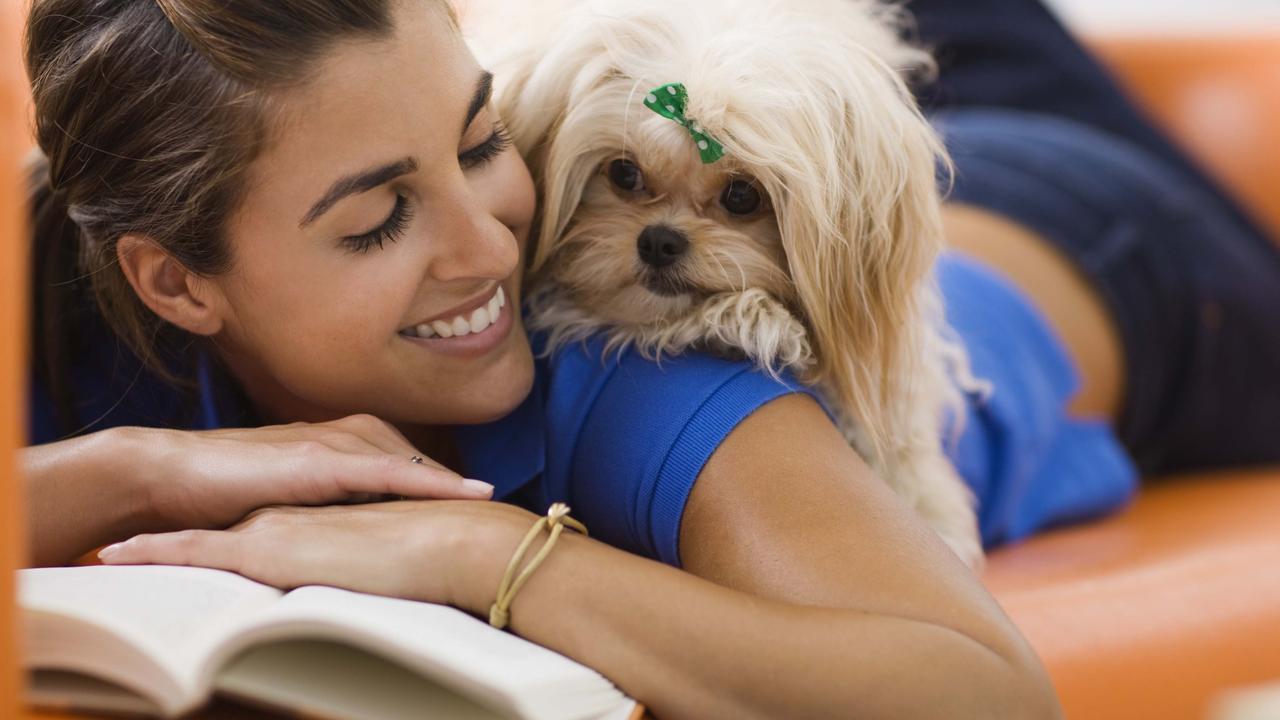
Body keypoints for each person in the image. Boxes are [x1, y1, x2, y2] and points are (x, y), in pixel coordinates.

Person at [13, 0, 1273, 717]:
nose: (492, 248)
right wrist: (123, 470)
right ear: (173, 283)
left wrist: (487, 553)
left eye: (480, 142)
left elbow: (982, 700)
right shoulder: (60, 303)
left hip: (1116, 246)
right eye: (375, 219)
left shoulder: (649, 354)